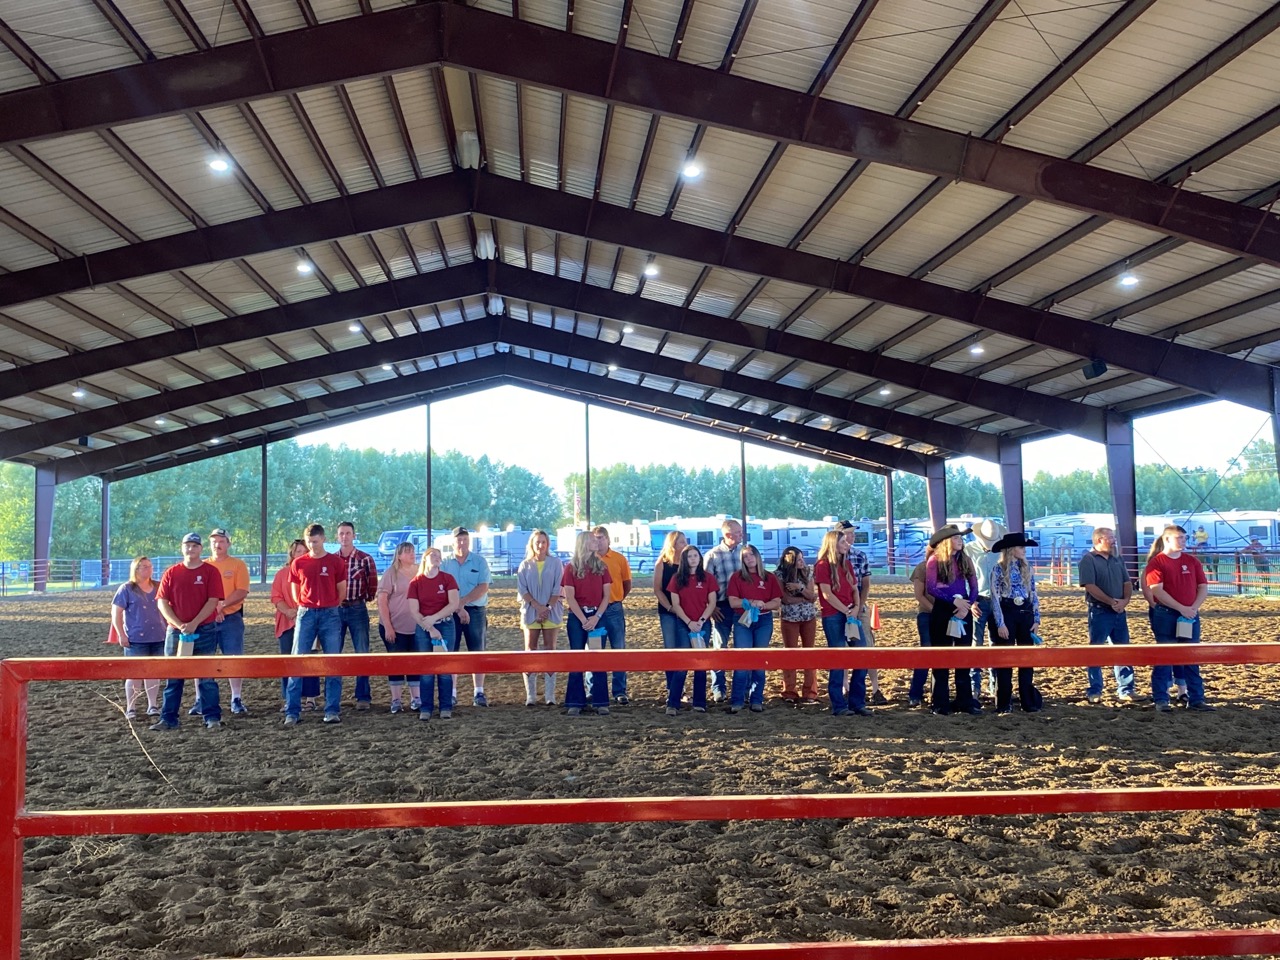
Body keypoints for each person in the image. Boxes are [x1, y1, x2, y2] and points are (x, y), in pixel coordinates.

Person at [150, 533, 225, 732]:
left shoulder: (211, 572)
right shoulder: (171, 572)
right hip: (176, 631)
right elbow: (162, 602)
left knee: (206, 676)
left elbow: (213, 601)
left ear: (201, 549)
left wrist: (194, 623)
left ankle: (212, 716)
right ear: (182, 547)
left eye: (195, 545)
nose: (190, 549)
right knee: (173, 676)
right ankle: (168, 718)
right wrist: (179, 624)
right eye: (187, 545)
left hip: (205, 629)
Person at [1146, 524, 1214, 713]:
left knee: (1191, 655)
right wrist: (1182, 608)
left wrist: (1193, 608)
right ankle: (1161, 698)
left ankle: (1196, 698)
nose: (1183, 541)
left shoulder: (1192, 561)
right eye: (1179, 538)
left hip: (1189, 614)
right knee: (1165, 656)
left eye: (1184, 538)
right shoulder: (1157, 563)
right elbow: (1157, 590)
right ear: (1167, 539)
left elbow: (1202, 586)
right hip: (1167, 614)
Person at [283, 523, 347, 726]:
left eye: (315, 541)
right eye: (309, 542)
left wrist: (331, 605)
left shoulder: (335, 562)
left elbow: (342, 589)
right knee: (297, 660)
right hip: (306, 613)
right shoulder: (299, 563)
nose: (312, 545)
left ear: (323, 539)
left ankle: (332, 709)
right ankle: (292, 711)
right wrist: (303, 605)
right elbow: (295, 589)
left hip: (330, 613)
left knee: (332, 662)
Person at [924, 524, 980, 716]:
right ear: (946, 541)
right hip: (943, 609)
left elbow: (974, 586)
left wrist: (967, 604)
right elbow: (932, 587)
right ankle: (940, 702)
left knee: (964, 655)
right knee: (941, 655)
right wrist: (954, 601)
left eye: (960, 538)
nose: (960, 541)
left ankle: (964, 700)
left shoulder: (965, 560)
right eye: (956, 538)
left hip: (963, 607)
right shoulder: (934, 560)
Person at [195, 527, 251, 717]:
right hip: (206, 618)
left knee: (233, 658)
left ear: (228, 543)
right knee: (203, 659)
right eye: (214, 541)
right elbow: (198, 594)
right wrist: (213, 609)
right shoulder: (202, 566)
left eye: (221, 541)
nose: (217, 545)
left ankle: (236, 698)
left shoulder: (237, 565)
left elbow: (242, 591)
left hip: (231, 618)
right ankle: (200, 699)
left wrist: (222, 606)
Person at [1079, 526, 1136, 705]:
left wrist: (1125, 601)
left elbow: (1127, 582)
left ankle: (1126, 689)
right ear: (1099, 540)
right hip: (1100, 610)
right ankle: (1095, 689)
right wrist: (1113, 601)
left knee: (1123, 649)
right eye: (1110, 538)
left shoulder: (1117, 558)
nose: (1113, 541)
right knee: (1096, 650)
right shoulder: (1088, 560)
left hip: (1118, 609)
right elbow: (1090, 586)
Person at [814, 529, 867, 717]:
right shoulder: (822, 566)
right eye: (843, 542)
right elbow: (827, 594)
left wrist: (856, 607)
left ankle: (857, 702)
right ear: (833, 544)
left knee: (862, 655)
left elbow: (855, 589)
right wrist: (846, 610)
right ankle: (839, 704)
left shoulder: (847, 564)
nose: (847, 544)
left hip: (850, 614)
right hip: (834, 615)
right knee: (838, 659)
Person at [989, 532, 1043, 715]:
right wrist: (1000, 623)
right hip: (1007, 611)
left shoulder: (1026, 568)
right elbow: (995, 597)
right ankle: (1004, 702)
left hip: (1025, 612)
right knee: (1005, 658)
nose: (1024, 550)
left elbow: (1033, 593)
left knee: (1026, 658)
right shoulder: (998, 569)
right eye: (1021, 547)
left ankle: (1027, 701)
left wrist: (1036, 619)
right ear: (1011, 549)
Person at [561, 531, 612, 717]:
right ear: (583, 543)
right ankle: (575, 701)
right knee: (576, 657)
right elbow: (570, 597)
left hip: (597, 615)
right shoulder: (570, 568)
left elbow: (607, 596)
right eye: (592, 540)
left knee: (597, 658)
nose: (596, 542)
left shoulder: (602, 567)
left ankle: (600, 701)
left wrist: (596, 617)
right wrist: (584, 619)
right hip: (577, 617)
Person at [726, 543, 781, 713]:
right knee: (742, 659)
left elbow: (777, 602)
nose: (749, 558)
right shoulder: (736, 577)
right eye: (745, 556)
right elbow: (733, 601)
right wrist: (751, 602)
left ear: (757, 556)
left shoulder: (770, 578)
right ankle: (737, 699)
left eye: (751, 554)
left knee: (759, 659)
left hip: (763, 620)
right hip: (742, 620)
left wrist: (763, 605)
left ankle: (756, 698)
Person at [835, 521, 886, 704]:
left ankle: (875, 688)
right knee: (842, 649)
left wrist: (859, 606)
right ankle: (845, 687)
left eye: (852, 533)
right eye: (848, 533)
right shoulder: (830, 559)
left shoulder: (859, 555)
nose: (852, 536)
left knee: (867, 647)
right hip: (839, 609)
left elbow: (865, 585)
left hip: (858, 607)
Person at [110, 556, 165, 720]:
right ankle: (131, 707)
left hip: (158, 636)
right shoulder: (126, 589)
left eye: (149, 566)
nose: (147, 569)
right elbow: (116, 613)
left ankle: (152, 705)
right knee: (134, 673)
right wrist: (121, 634)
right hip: (135, 638)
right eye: (143, 566)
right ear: (135, 569)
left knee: (153, 673)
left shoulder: (158, 586)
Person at [442, 527, 492, 707]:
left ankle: (479, 692)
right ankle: (452, 693)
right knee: (451, 653)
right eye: (459, 539)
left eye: (465, 539)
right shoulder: (444, 563)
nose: (462, 543)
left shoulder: (479, 561)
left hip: (475, 611)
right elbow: (442, 587)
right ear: (452, 542)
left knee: (477, 652)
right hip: (450, 613)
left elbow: (483, 586)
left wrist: (461, 603)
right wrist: (458, 607)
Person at [407, 547, 459, 721]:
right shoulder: (416, 583)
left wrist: (434, 618)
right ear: (425, 558)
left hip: (445, 625)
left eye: (438, 555)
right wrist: (430, 628)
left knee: (445, 667)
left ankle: (446, 706)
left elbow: (454, 604)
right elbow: (414, 611)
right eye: (433, 555)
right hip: (424, 628)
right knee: (426, 669)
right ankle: (426, 707)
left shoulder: (448, 579)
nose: (437, 557)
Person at [666, 544, 718, 717]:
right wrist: (689, 622)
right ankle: (673, 703)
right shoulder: (677, 579)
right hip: (683, 623)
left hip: (703, 624)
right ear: (684, 559)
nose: (693, 559)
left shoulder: (708, 578)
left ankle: (699, 702)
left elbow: (712, 602)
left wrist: (701, 621)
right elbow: (676, 604)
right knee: (683, 663)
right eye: (690, 556)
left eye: (696, 555)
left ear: (700, 558)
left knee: (700, 663)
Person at [335, 521, 378, 712]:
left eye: (348, 533)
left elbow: (372, 584)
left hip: (357, 608)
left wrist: (364, 599)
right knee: (333, 653)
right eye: (341, 533)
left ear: (353, 535)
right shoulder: (331, 560)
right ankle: (333, 697)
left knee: (362, 652)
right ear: (337, 536)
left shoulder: (365, 559)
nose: (344, 537)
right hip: (335, 610)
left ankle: (363, 696)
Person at [517, 530, 563, 707]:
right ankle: (531, 695)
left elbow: (558, 587)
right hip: (531, 612)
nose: (541, 545)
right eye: (537, 542)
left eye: (543, 542)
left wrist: (547, 608)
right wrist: (537, 607)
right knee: (530, 650)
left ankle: (550, 695)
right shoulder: (525, 565)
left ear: (548, 544)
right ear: (532, 544)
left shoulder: (556, 563)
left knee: (550, 649)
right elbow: (522, 590)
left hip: (552, 611)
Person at [272, 539, 318, 711]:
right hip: (286, 621)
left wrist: (301, 612)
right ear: (292, 554)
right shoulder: (281, 574)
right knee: (287, 660)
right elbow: (276, 597)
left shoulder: (313, 571)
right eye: (298, 551)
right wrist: (288, 611)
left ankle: (310, 698)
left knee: (310, 659)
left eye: (304, 551)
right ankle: (289, 699)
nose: (301, 554)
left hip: (310, 620)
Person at [964, 518, 1006, 702]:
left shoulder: (1001, 551)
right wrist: (971, 600)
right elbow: (965, 576)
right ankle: (975, 685)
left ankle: (993, 684)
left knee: (995, 642)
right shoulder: (969, 550)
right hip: (978, 599)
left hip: (998, 600)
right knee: (976, 643)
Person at [703, 519, 744, 702]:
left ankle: (741, 688)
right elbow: (705, 584)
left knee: (743, 647)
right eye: (738, 532)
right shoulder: (712, 556)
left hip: (742, 606)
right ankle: (718, 687)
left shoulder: (745, 553)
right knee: (720, 647)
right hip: (721, 606)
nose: (741, 535)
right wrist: (711, 608)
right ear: (728, 535)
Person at [376, 540, 419, 714]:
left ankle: (416, 698)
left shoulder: (420, 571)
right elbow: (382, 601)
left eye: (413, 551)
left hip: (416, 627)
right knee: (396, 662)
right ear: (399, 556)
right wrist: (388, 626)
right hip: (395, 626)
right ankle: (396, 700)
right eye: (407, 551)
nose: (412, 554)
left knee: (415, 662)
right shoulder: (390, 574)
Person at [591, 526, 632, 705]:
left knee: (618, 649)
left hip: (614, 608)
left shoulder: (619, 559)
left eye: (601, 538)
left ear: (608, 539)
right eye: (595, 538)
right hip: (593, 611)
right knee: (594, 651)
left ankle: (619, 690)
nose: (598, 541)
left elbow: (627, 583)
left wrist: (617, 598)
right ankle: (593, 690)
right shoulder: (589, 559)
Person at [775, 546, 818, 705]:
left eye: (802, 559)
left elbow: (813, 596)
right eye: (798, 559)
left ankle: (810, 691)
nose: (802, 562)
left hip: (809, 617)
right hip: (789, 618)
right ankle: (789, 691)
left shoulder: (808, 572)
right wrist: (804, 598)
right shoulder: (779, 575)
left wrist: (800, 588)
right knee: (790, 653)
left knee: (809, 652)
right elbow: (785, 599)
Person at [653, 530, 688, 711]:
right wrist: (669, 607)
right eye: (682, 542)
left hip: (687, 612)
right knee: (670, 648)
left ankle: (680, 689)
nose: (685, 544)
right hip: (668, 612)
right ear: (673, 544)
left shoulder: (688, 562)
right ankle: (671, 688)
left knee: (683, 649)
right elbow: (658, 589)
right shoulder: (662, 563)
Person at [906, 545, 934, 708]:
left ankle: (933, 692)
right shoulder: (923, 568)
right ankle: (915, 693)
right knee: (926, 652)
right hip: (927, 615)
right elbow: (919, 595)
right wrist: (935, 611)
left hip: (944, 615)